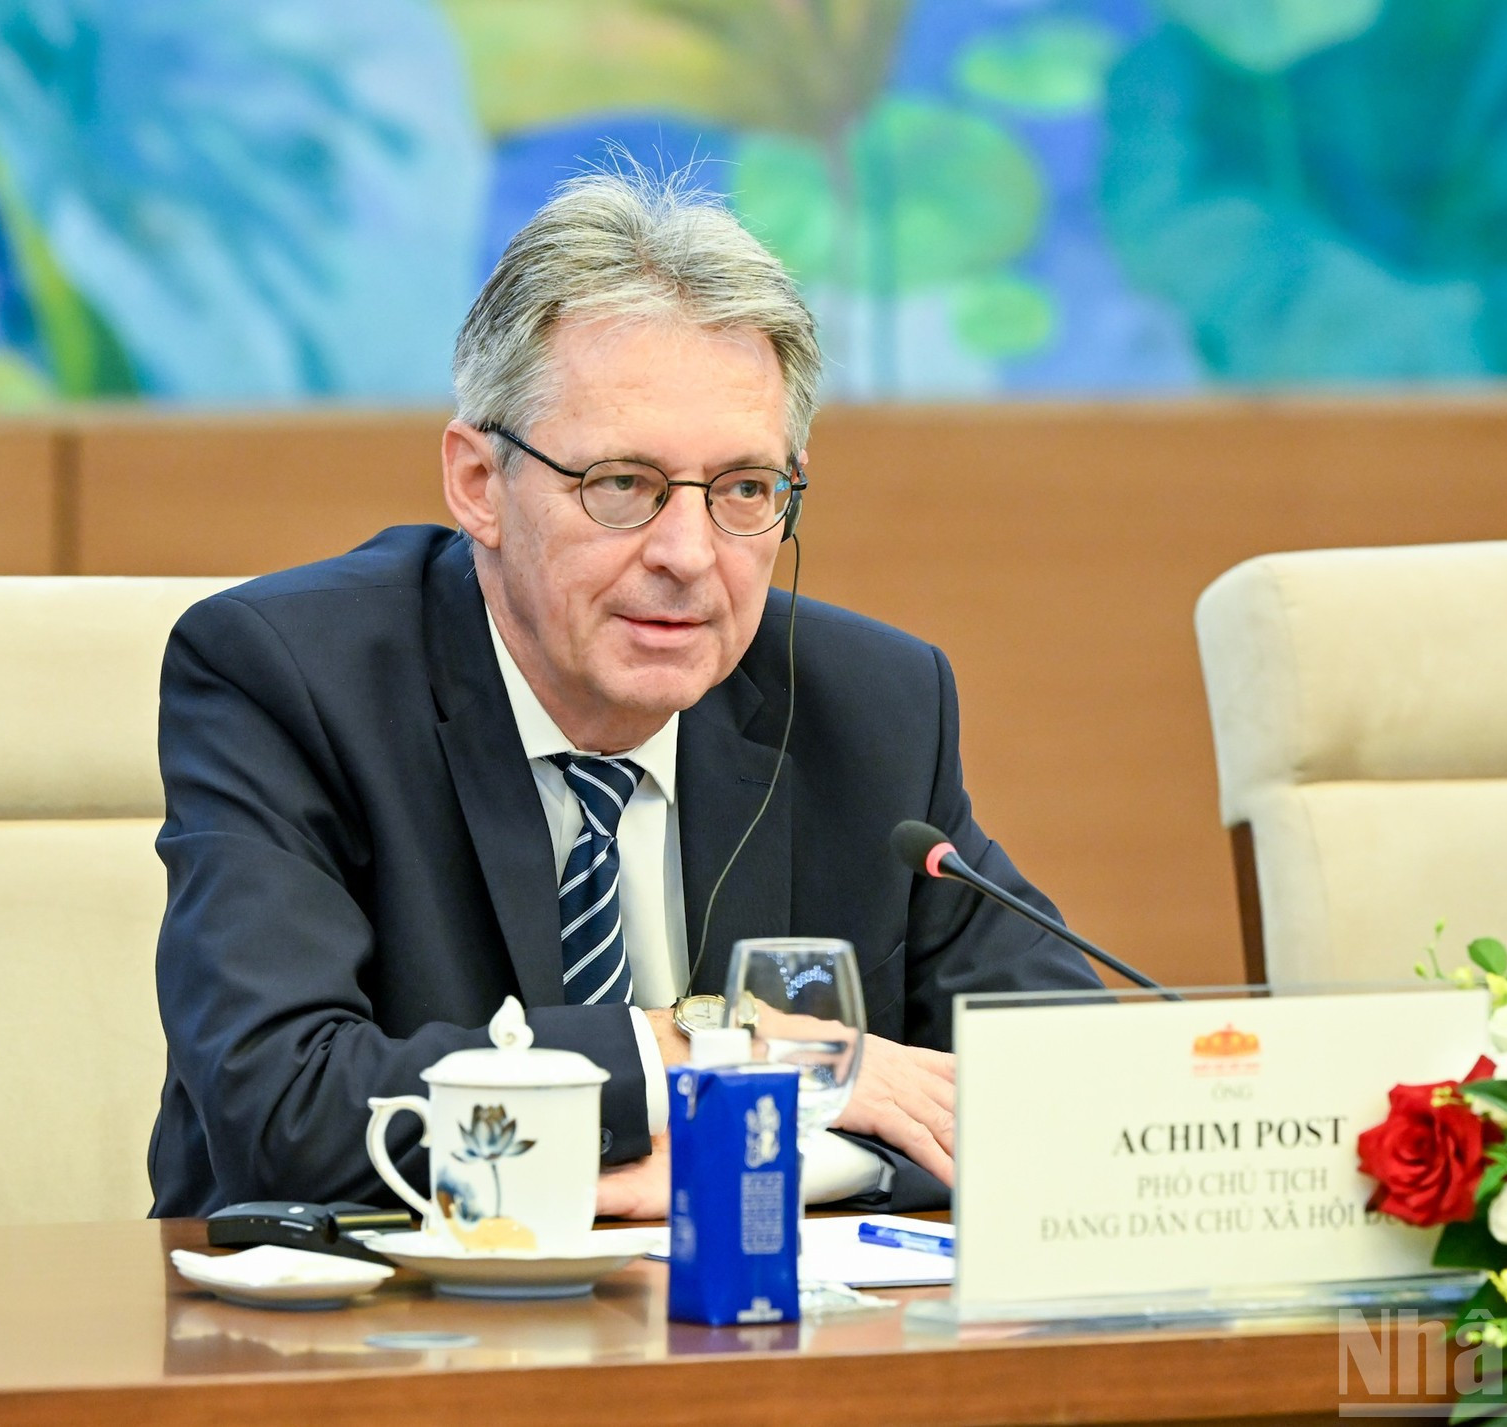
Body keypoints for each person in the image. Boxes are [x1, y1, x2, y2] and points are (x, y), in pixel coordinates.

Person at [147, 168, 1098, 1221]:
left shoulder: (869, 705)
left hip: (761, 1356)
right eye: (622, 485)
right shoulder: (291, 680)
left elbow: (1070, 1084)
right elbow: (282, 1109)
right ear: (477, 482)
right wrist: (714, 1057)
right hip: (367, 1357)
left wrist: (752, 1154)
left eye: (743, 488)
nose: (689, 554)